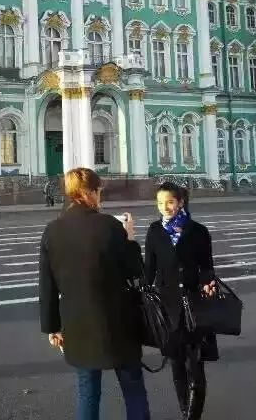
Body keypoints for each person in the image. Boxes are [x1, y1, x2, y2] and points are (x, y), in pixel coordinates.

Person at [39, 167, 150, 420]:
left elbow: (47, 284)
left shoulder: (53, 230)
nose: (100, 196)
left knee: (87, 393)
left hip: (77, 325)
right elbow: (136, 272)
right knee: (133, 389)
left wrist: (52, 327)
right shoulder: (110, 226)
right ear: (88, 192)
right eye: (99, 191)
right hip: (119, 322)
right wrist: (130, 238)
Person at [144, 182, 217, 420]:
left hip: (194, 303)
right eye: (160, 203)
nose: (165, 207)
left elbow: (207, 266)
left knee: (195, 366)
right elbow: (149, 270)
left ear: (180, 202)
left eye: (170, 202)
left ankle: (193, 414)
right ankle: (185, 411)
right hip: (167, 305)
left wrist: (208, 282)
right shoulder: (155, 231)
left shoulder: (198, 231)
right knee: (176, 364)